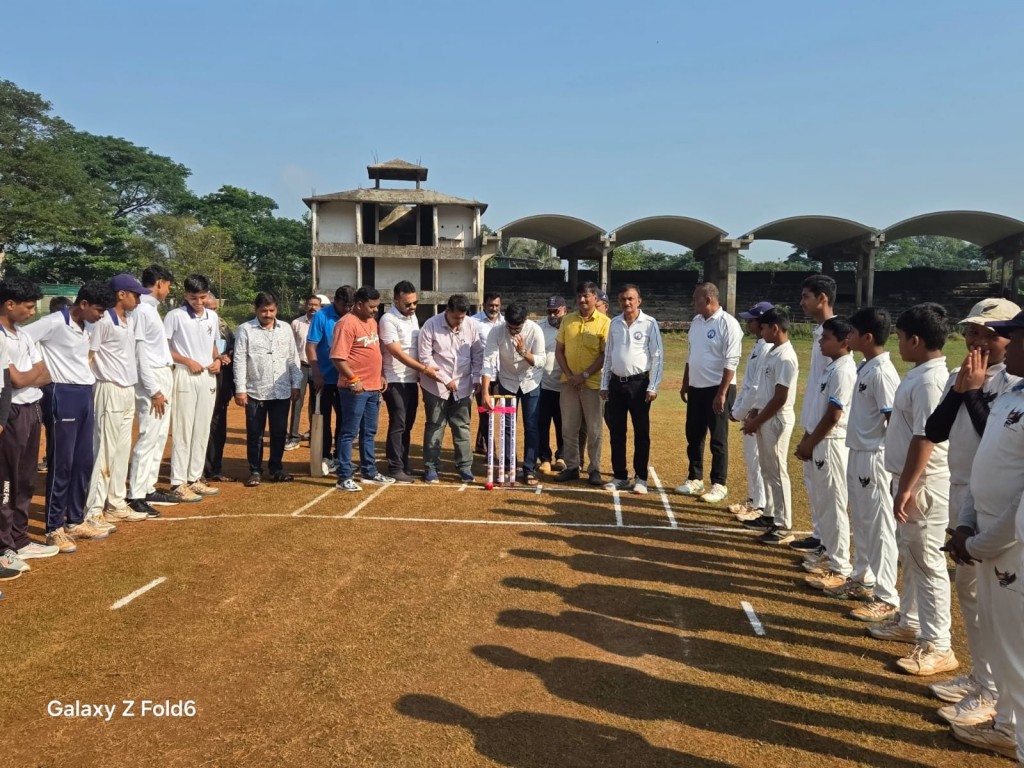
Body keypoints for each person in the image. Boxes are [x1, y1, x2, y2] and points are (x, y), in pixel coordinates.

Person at [923, 298, 1020, 727]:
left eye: (988, 334)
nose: (977, 341)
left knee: (990, 602)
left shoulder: (1011, 381)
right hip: (964, 493)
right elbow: (935, 429)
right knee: (969, 592)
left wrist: (976, 391)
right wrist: (962, 390)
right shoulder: (960, 375)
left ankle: (993, 692)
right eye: (972, 331)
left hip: (997, 502)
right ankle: (982, 677)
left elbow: (991, 437)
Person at [870, 303, 957, 678]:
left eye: (902, 337)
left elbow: (926, 437)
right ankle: (910, 620)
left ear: (916, 341)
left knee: (928, 562)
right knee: (912, 556)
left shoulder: (929, 381)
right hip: (908, 478)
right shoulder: (920, 374)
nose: (898, 343)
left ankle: (938, 645)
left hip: (923, 483)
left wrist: (906, 487)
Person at [28, 281, 115, 551]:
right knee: (62, 462)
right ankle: (54, 528)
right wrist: (40, 370)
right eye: (99, 310)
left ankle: (75, 520)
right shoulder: (54, 322)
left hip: (84, 393)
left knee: (83, 461)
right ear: (83, 304)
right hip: (61, 393)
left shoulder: (88, 326)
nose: (101, 315)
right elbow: (21, 338)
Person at [843, 308, 902, 625]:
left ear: (867, 337)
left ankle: (886, 596)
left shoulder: (882, 372)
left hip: (874, 456)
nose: (848, 337)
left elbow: (893, 421)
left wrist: (889, 462)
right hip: (858, 451)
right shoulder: (866, 367)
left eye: (852, 332)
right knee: (863, 520)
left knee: (879, 526)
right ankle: (861, 577)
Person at [83, 274, 151, 529]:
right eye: (136, 294)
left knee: (122, 451)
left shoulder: (128, 321)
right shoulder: (103, 322)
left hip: (126, 389)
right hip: (108, 388)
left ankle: (116, 503)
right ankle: (94, 510)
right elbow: (89, 356)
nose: (139, 300)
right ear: (121, 294)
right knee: (104, 451)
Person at [795, 316, 856, 592]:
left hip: (832, 443)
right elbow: (819, 410)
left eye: (826, 338)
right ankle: (830, 555)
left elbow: (834, 414)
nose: (821, 342)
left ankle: (840, 567)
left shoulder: (844, 370)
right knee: (824, 503)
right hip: (821, 441)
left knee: (834, 505)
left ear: (844, 341)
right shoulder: (832, 367)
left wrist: (811, 442)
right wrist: (807, 438)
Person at [0, 277, 57, 571]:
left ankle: (20, 539)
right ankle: (4, 546)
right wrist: (27, 376)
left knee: (26, 478)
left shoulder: (22, 335)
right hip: (10, 413)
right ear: (10, 304)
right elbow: (17, 380)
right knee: (6, 481)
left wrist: (27, 376)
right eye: (29, 306)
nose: (33, 312)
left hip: (32, 409)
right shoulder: (1, 337)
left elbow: (44, 373)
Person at [677, 282, 742, 503]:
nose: (692, 302)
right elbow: (691, 355)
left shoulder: (728, 324)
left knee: (718, 439)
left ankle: (719, 484)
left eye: (695, 299)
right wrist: (686, 382)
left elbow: (731, 361)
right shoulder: (696, 322)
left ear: (707, 300)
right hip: (697, 388)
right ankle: (695, 478)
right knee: (694, 436)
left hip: (719, 388)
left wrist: (722, 393)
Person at [741, 307, 798, 545]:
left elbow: (780, 398)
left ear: (775, 328)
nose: (760, 332)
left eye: (763, 328)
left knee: (777, 471)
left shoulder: (785, 357)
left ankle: (784, 524)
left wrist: (757, 419)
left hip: (776, 419)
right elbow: (764, 391)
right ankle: (770, 514)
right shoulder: (772, 352)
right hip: (765, 416)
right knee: (767, 468)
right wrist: (754, 413)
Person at [600, 284, 663, 495]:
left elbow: (657, 356)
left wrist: (653, 386)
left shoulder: (649, 323)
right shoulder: (614, 323)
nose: (626, 303)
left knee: (641, 433)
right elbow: (609, 355)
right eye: (623, 299)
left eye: (630, 299)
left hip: (639, 385)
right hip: (616, 384)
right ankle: (620, 476)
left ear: (639, 300)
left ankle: (641, 478)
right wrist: (604, 384)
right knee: (617, 432)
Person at [127, 264, 179, 516]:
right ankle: (136, 493)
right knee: (148, 435)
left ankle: (147, 487)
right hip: (152, 377)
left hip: (161, 373)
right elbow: (140, 356)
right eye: (168, 285)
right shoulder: (141, 311)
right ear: (159, 283)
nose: (168, 290)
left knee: (158, 436)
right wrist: (154, 390)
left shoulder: (150, 310)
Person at [234, 292, 301, 486]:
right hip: (255, 391)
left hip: (281, 390)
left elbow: (293, 357)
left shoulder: (285, 328)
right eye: (264, 311)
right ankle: (255, 470)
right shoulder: (245, 330)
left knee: (279, 432)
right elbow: (239, 360)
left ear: (276, 309)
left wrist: (296, 384)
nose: (268, 314)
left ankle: (276, 468)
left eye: (272, 310)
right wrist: (240, 389)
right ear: (256, 310)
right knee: (255, 433)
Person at [791, 274, 838, 552]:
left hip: (826, 431)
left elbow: (832, 391)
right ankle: (819, 535)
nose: (801, 302)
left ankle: (828, 545)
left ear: (822, 298)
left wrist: (815, 432)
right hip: (813, 424)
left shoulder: (835, 335)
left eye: (806, 296)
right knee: (814, 485)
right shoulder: (821, 333)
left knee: (828, 491)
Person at [165, 274, 222, 502]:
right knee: (183, 428)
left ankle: (195, 478)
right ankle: (178, 482)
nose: (198, 302)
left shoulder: (212, 316)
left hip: (207, 375)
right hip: (185, 374)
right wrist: (187, 361)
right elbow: (164, 348)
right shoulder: (175, 316)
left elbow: (215, 344)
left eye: (202, 297)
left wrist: (218, 360)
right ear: (185, 295)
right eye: (193, 297)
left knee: (202, 427)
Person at [331, 286, 394, 491]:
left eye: (377, 306)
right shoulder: (346, 324)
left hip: (373, 388)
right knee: (349, 433)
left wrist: (381, 375)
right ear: (359, 304)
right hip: (355, 390)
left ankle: (369, 471)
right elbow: (338, 358)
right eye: (372, 306)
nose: (375, 310)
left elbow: (375, 353)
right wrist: (353, 379)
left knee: (369, 432)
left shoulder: (372, 322)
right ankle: (344, 476)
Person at [418, 294, 483, 483]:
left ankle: (465, 467)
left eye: (462, 317)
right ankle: (431, 467)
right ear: (447, 310)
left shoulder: (471, 325)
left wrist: (476, 378)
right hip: (435, 387)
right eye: (455, 317)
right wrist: (445, 379)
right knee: (435, 426)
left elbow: (477, 354)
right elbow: (425, 358)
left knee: (462, 426)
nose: (459, 321)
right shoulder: (430, 325)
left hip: (464, 386)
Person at [481, 303, 546, 485]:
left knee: (531, 426)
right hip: (507, 383)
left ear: (525, 321)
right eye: (510, 327)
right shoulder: (497, 331)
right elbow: (488, 361)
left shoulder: (535, 330)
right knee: (507, 425)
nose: (513, 331)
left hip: (531, 382)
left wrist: (523, 352)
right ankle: (509, 466)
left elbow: (541, 361)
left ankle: (529, 469)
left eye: (517, 328)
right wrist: (485, 392)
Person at [379, 281, 437, 483]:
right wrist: (424, 369)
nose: (412, 307)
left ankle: (403, 463)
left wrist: (420, 371)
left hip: (411, 379)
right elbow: (396, 352)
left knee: (408, 423)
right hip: (395, 378)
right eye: (407, 304)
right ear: (396, 300)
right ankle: (395, 467)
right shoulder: (388, 319)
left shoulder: (412, 318)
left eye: (415, 303)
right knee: (399, 423)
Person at [554, 282, 610, 486]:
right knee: (569, 428)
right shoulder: (568, 320)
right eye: (579, 296)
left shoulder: (605, 323)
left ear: (595, 297)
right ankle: (572, 467)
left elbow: (605, 355)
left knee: (594, 430)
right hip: (569, 383)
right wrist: (571, 375)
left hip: (592, 384)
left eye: (586, 296)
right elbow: (559, 350)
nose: (582, 300)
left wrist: (584, 375)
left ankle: (594, 469)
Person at [730, 302, 774, 522]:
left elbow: (756, 387)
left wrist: (741, 412)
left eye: (752, 320)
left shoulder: (766, 348)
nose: (748, 324)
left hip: (757, 412)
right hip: (750, 411)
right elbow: (747, 384)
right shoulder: (759, 345)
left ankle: (760, 505)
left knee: (757, 459)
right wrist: (738, 409)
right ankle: (753, 498)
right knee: (751, 458)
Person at [306, 285, 354, 472]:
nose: (347, 309)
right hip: (324, 379)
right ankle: (324, 456)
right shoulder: (321, 316)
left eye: (350, 305)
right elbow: (311, 347)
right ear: (336, 301)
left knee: (345, 420)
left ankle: (341, 457)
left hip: (346, 379)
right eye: (344, 305)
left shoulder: (353, 316)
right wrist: (317, 373)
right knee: (322, 419)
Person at [204, 292, 236, 484]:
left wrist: (227, 356)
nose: (213, 313)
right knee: (200, 428)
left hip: (222, 381)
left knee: (218, 428)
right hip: (201, 377)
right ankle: (196, 473)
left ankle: (214, 469)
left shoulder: (222, 325)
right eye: (209, 309)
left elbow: (232, 346)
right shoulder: (191, 323)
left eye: (215, 309)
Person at [37, 296, 71, 474]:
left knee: (58, 430)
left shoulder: (73, 331)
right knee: (53, 427)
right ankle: (51, 461)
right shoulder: (47, 328)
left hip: (62, 386)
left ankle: (52, 461)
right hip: (50, 386)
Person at [285, 295, 321, 451]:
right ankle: (293, 437)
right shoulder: (296, 323)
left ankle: (314, 435)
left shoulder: (322, 322)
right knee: (297, 400)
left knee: (316, 402)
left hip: (318, 367)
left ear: (320, 307)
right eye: (310, 304)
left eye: (316, 305)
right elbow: (291, 346)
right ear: (306, 306)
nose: (313, 307)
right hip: (301, 366)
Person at [537, 296, 567, 474]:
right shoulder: (539, 327)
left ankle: (562, 456)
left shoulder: (570, 325)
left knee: (563, 424)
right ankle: (545, 458)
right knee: (542, 424)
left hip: (564, 385)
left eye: (556, 311)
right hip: (543, 385)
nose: (553, 315)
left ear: (564, 309)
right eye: (549, 311)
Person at [473, 292, 504, 454]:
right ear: (484, 305)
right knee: (485, 411)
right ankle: (491, 451)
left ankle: (480, 442)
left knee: (490, 411)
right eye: (491, 305)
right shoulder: (473, 322)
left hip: (500, 375)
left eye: (497, 305)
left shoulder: (504, 322)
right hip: (482, 375)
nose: (494, 308)